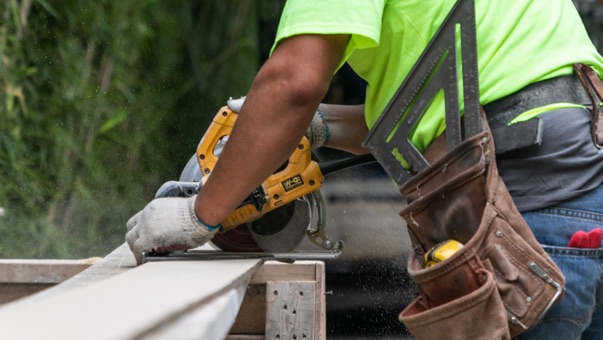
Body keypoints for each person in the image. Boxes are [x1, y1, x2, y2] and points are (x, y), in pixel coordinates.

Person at [126, 0, 603, 338]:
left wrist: (199, 215)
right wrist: (319, 125)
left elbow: (293, 82)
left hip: (529, 217)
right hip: (585, 186)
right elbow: (440, 115)